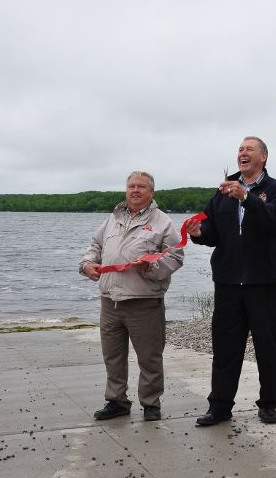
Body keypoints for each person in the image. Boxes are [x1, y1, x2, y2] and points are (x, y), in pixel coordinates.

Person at [186, 136, 276, 427]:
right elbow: (213, 232)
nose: (243, 153)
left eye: (249, 149)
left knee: (267, 347)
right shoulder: (222, 191)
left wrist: (246, 197)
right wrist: (198, 233)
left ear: (263, 158)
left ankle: (268, 404)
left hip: (267, 283)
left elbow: (274, 220)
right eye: (240, 149)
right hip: (229, 283)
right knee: (225, 348)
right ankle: (219, 407)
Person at [79, 171, 184, 422]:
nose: (135, 190)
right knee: (113, 357)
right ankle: (117, 402)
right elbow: (95, 247)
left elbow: (176, 256)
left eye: (141, 186)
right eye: (131, 186)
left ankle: (150, 403)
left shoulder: (162, 222)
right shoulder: (112, 219)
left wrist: (150, 267)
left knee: (149, 357)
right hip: (110, 300)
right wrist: (87, 265)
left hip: (144, 302)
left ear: (151, 192)